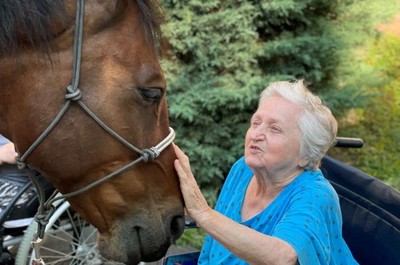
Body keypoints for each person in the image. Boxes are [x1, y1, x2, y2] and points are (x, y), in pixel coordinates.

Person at [173, 80, 358, 265]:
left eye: (274, 129)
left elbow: (282, 257)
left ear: (305, 153)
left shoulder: (315, 195)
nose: (256, 134)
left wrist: (203, 213)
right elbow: (211, 250)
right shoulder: (243, 169)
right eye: (256, 122)